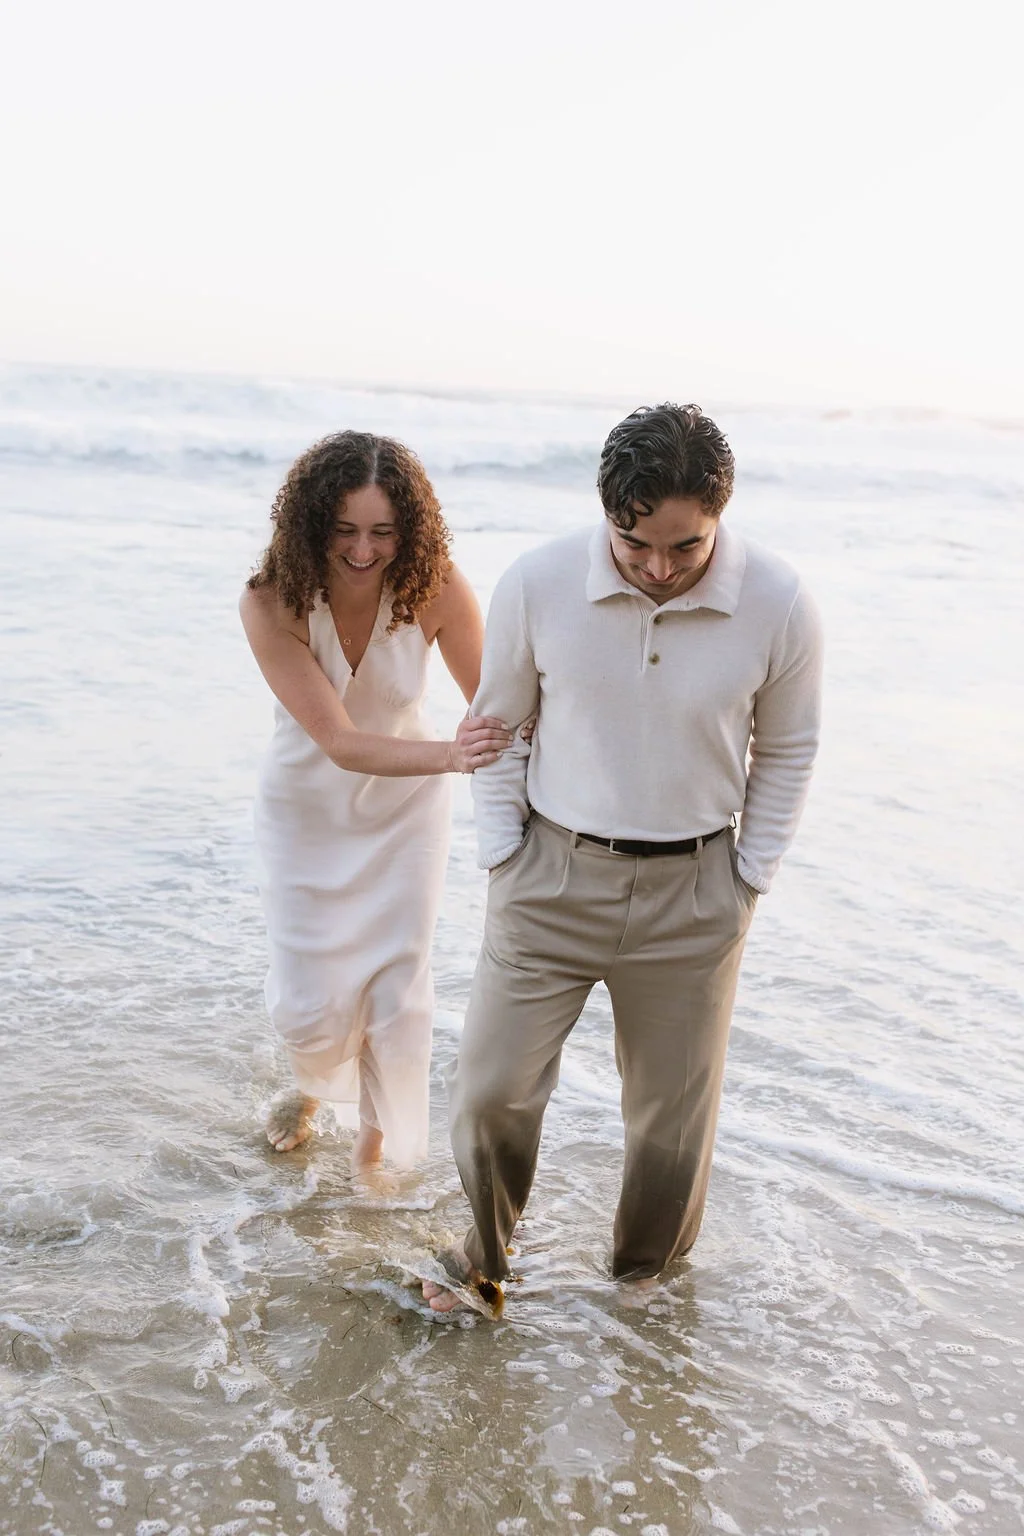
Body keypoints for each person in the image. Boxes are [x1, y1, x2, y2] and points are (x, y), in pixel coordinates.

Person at [423, 402, 823, 1313]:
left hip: (696, 890)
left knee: (671, 1131)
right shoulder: (538, 580)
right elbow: (497, 727)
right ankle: (480, 1265)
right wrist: (503, 857)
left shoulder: (781, 600)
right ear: (607, 510)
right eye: (634, 542)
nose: (657, 567)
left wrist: (747, 880)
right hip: (550, 876)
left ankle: (643, 1281)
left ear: (719, 515)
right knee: (490, 1095)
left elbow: (789, 750)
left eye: (685, 548)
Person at [240, 430, 511, 1174]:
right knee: (310, 1007)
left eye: (383, 533)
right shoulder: (270, 601)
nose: (364, 550)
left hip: (406, 814)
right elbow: (338, 740)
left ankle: (373, 1154)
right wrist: (454, 756)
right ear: (310, 525)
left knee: (397, 991)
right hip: (308, 810)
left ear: (410, 531)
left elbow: (497, 702)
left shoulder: (437, 587)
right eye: (345, 531)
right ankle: (310, 1084)